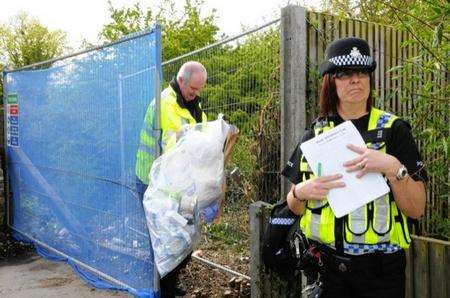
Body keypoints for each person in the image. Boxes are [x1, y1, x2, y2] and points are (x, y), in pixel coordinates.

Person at [281, 37, 427, 298]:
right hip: (326, 270)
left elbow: (417, 209)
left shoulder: (394, 131)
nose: (355, 80)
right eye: (345, 74)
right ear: (330, 82)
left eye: (362, 73)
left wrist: (394, 168)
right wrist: (301, 191)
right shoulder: (314, 134)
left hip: (381, 272)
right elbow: (293, 205)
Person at [135, 61, 208, 297]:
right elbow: (171, 146)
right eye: (193, 89)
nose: (196, 94)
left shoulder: (194, 106)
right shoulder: (165, 103)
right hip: (152, 183)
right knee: (163, 240)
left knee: (182, 239)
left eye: (199, 90)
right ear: (181, 80)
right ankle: (163, 289)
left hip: (176, 186)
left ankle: (167, 283)